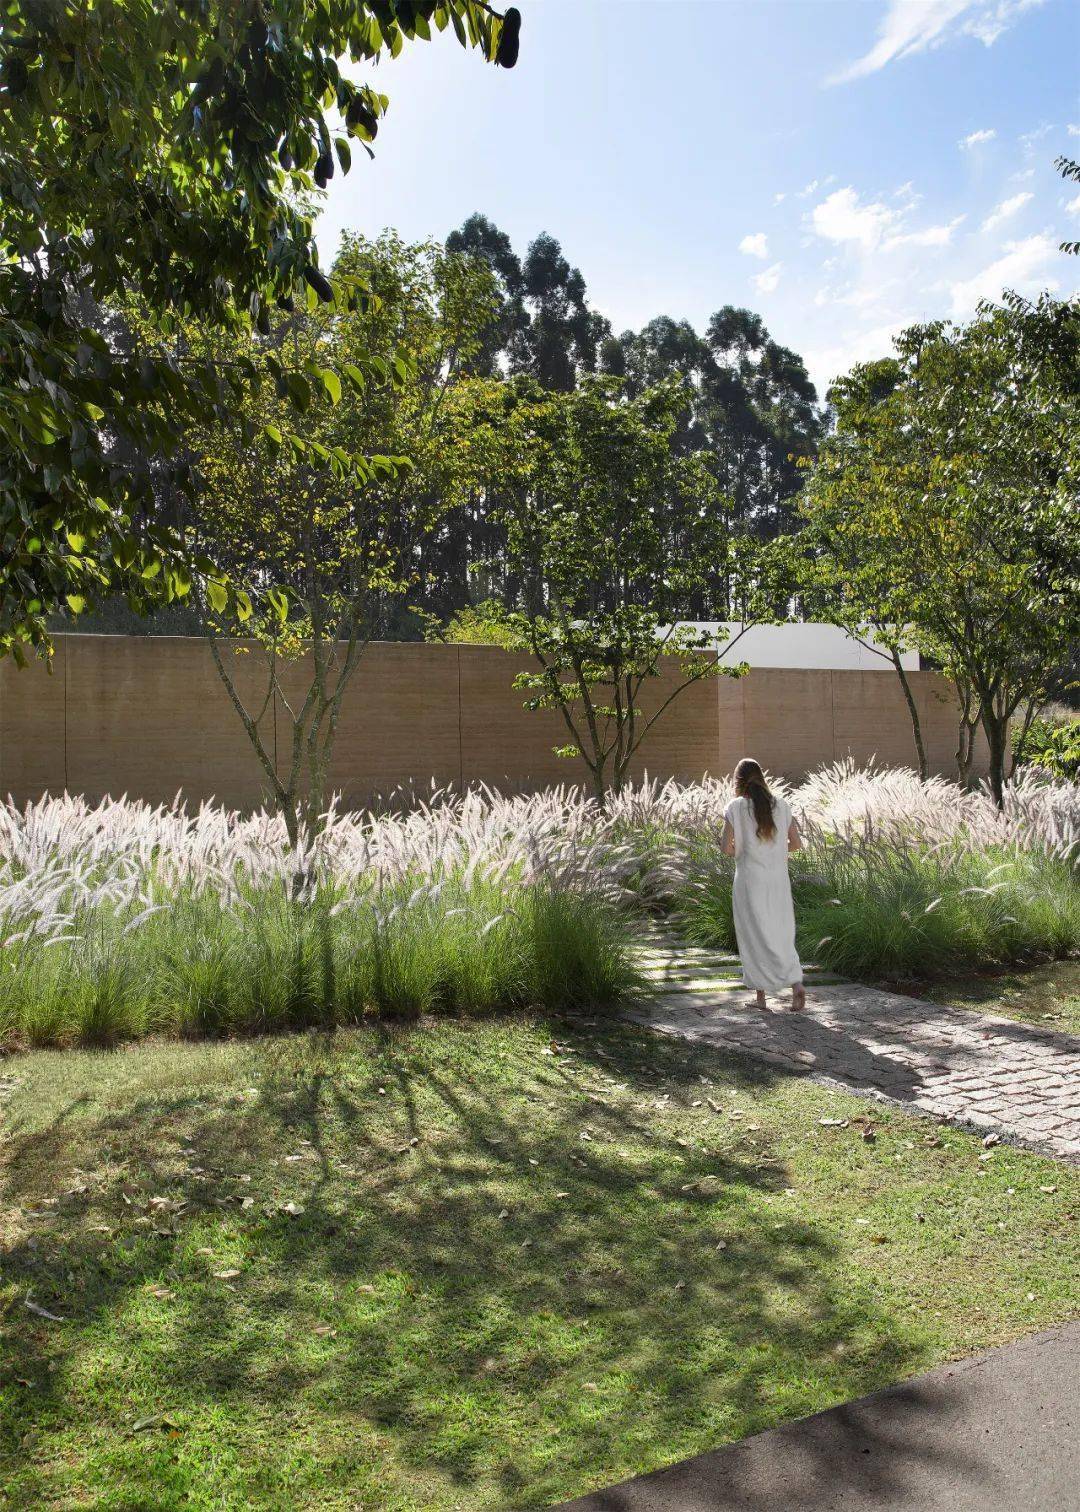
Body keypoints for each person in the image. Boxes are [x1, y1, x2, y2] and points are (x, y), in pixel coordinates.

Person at [720, 758, 805, 1011]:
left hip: (749, 880)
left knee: (753, 934)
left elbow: (725, 848)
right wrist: (775, 851)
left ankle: (760, 999)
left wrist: (744, 849)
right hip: (778, 880)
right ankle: (796, 985)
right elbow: (797, 844)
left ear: (738, 782)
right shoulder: (782, 805)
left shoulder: (735, 807)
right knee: (780, 932)